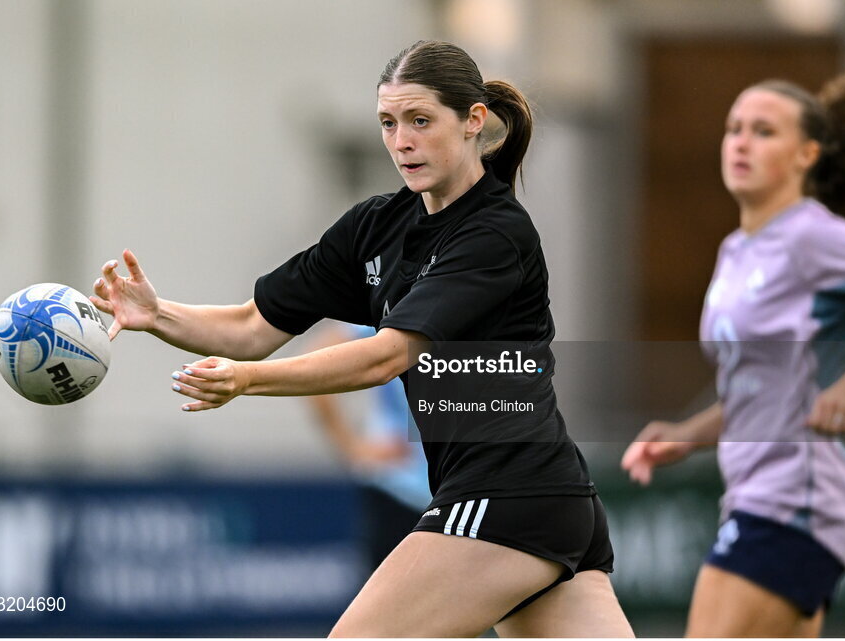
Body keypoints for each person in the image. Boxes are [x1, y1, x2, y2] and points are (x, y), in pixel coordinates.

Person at [91, 40, 633, 638]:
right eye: (388, 122)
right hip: (548, 502)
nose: (401, 140)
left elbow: (389, 354)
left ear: (473, 120)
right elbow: (250, 327)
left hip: (505, 498)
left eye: (420, 121)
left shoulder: (495, 232)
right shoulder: (376, 226)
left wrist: (246, 382)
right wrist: (156, 313)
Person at [621, 59, 845, 637]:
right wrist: (688, 435)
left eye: (764, 130)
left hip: (794, 502)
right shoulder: (735, 250)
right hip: (757, 494)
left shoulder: (811, 234)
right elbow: (764, 386)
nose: (741, 142)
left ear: (807, 155)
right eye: (734, 128)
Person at [305, 321, 432, 572]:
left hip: (462, 490)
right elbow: (317, 359)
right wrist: (354, 448)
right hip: (400, 489)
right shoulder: (398, 300)